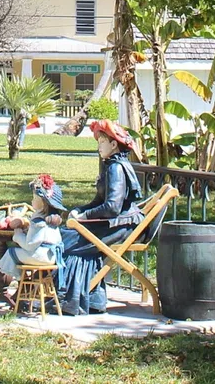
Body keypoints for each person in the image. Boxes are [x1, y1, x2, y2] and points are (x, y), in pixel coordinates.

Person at [58, 118, 144, 314]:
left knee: (67, 240)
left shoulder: (116, 168)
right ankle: (90, 298)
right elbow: (100, 202)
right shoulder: (112, 165)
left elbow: (112, 207)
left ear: (114, 144)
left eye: (102, 142)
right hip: (116, 224)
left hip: (121, 227)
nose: (99, 146)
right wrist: (81, 211)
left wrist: (84, 216)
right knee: (68, 236)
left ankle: (70, 297)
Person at [0, 174, 66, 293]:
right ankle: (24, 284)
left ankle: (22, 282)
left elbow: (30, 244)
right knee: (16, 253)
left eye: (34, 198)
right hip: (52, 255)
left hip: (41, 256)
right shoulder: (51, 219)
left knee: (11, 252)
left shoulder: (38, 222)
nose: (32, 201)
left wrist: (18, 235)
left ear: (43, 203)